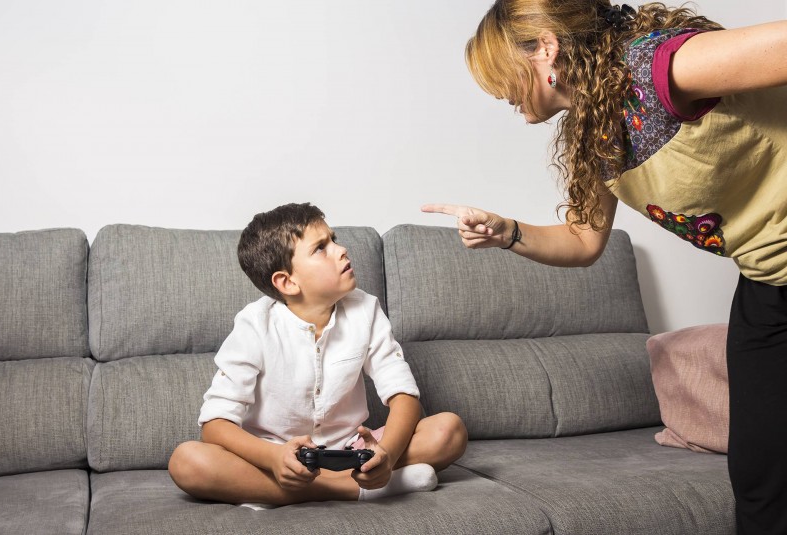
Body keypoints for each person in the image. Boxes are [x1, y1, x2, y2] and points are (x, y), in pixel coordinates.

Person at [422, 1, 787, 533]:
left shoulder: (660, 65)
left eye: (499, 72)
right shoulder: (597, 132)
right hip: (767, 281)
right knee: (760, 477)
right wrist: (508, 232)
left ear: (545, 49)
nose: (496, 92)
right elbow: (584, 240)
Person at [169, 202, 467, 508]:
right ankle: (355, 490)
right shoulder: (254, 324)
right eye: (321, 248)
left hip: (353, 453)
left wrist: (386, 455)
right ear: (287, 282)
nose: (342, 250)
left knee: (449, 431)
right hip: (275, 457)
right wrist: (273, 459)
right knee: (187, 461)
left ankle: (308, 489)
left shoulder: (365, 309)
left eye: (334, 240)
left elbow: (403, 394)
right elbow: (215, 424)